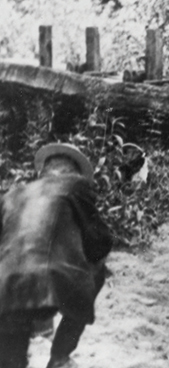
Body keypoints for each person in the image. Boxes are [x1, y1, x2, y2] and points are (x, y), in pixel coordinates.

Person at [0, 143, 113, 368]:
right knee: (98, 271)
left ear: (42, 172)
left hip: (4, 291)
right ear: (73, 172)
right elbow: (100, 243)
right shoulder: (76, 186)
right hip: (54, 287)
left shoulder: (11, 195)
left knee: (10, 361)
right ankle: (60, 356)